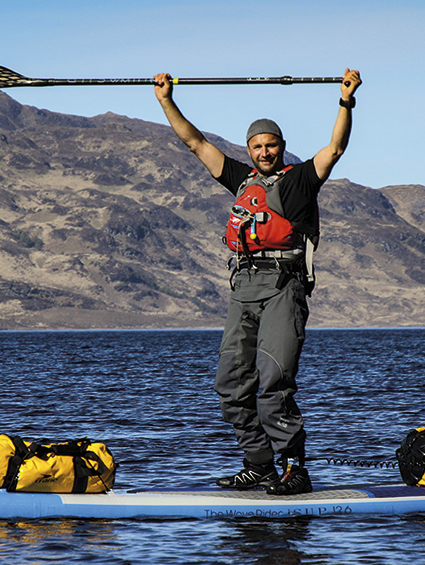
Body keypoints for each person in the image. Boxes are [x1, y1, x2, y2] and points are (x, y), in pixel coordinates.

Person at [153, 68, 362, 495]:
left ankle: (294, 469)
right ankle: (260, 464)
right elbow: (195, 143)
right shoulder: (240, 179)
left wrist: (345, 100)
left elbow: (336, 147)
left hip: (284, 287)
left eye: (271, 145)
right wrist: (165, 101)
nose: (265, 152)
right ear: (249, 151)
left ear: (281, 148)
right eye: (257, 147)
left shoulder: (301, 179)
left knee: (274, 380)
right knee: (230, 385)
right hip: (244, 288)